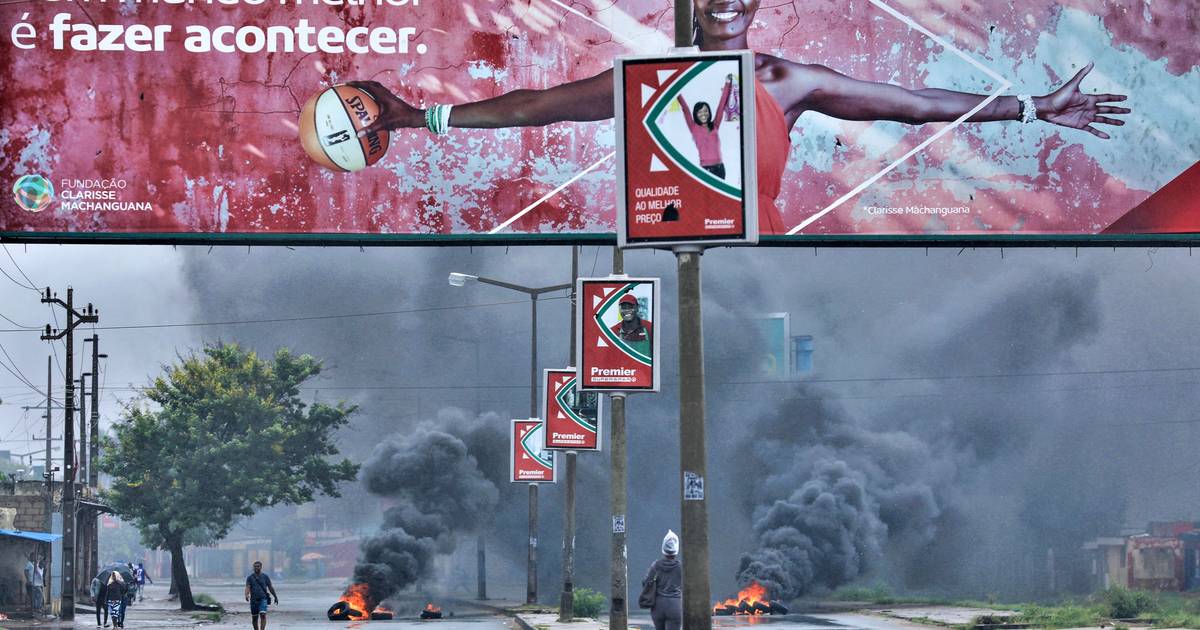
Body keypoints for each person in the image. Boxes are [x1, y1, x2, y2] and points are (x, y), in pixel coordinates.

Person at [351, 0, 1129, 235]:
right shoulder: (647, 81)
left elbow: (919, 103)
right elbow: (532, 108)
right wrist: (422, 121)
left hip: (754, 247)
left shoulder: (787, 80)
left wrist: (1034, 105)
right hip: (675, 245)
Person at [675, 74, 735, 179]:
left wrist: (727, 83)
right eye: (700, 112)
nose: (703, 114)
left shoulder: (715, 125)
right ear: (696, 114)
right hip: (705, 170)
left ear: (709, 112)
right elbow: (685, 108)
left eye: (705, 111)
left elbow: (721, 106)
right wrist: (675, 89)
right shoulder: (693, 128)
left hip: (720, 169)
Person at [643, 530, 683, 630]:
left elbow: (646, 582)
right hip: (675, 605)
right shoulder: (681, 567)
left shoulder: (655, 565)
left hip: (658, 605)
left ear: (663, 548)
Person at [244, 560, 279, 630]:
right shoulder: (250, 578)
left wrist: (275, 596)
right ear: (253, 567)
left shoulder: (265, 577)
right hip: (253, 600)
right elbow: (247, 587)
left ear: (261, 567)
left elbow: (270, 587)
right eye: (255, 566)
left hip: (263, 599)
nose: (256, 568)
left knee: (263, 615)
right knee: (254, 618)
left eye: (258, 566)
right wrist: (246, 594)